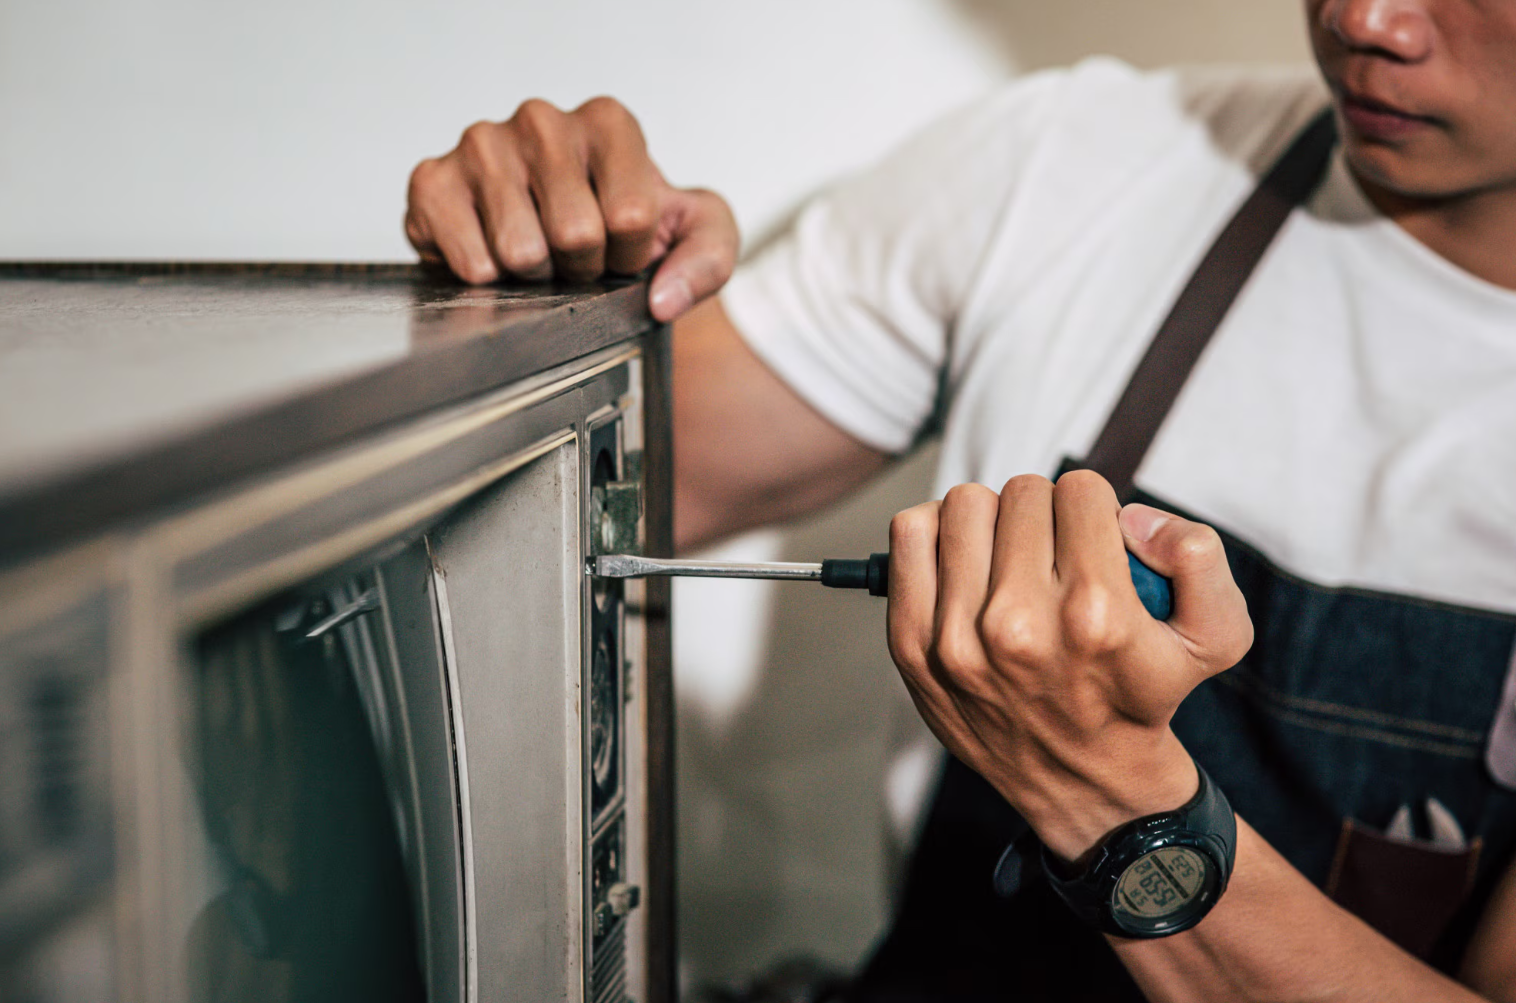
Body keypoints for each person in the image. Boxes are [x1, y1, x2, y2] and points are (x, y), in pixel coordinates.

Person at [403, 0, 1516, 998]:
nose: (1368, 21)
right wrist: (542, 297)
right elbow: (552, 509)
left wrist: (1116, 804)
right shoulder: (1076, 166)